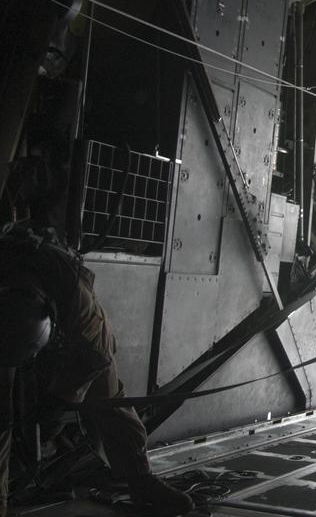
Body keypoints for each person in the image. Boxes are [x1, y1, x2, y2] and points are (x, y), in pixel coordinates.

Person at [0, 151, 194, 517]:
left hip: (72, 332)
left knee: (108, 395)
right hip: (9, 333)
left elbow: (95, 352)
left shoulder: (78, 301)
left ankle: (140, 480)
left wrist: (57, 404)